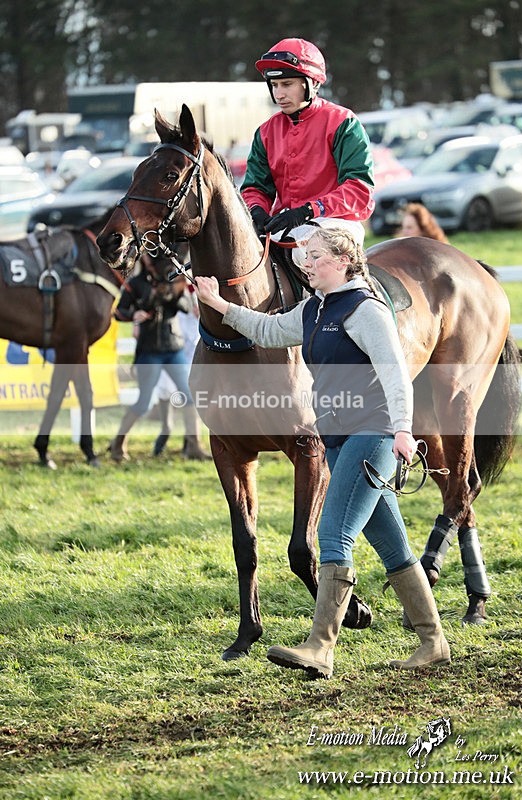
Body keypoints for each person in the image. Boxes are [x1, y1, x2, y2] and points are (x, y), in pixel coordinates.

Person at [195, 226, 451, 679]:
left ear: (341, 260)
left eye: (313, 256)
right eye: (304, 257)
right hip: (336, 439)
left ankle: (321, 647)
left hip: (372, 435)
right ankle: (433, 642)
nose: (303, 263)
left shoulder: (365, 310)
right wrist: (218, 305)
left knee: (333, 534)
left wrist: (404, 431)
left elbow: (394, 374)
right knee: (393, 546)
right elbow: (267, 330)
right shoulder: (314, 308)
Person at [240, 37, 375, 267]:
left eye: (287, 84)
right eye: (274, 86)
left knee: (308, 254)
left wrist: (308, 210)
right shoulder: (265, 132)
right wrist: (257, 211)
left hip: (337, 224)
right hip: (286, 226)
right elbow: (255, 188)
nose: (279, 94)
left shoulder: (344, 123)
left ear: (312, 84)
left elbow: (359, 191)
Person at [109, 253, 210, 462]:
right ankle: (118, 443)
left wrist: (171, 294)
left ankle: (194, 446)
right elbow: (119, 312)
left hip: (173, 348)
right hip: (149, 351)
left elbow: (183, 307)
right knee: (144, 403)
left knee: (189, 396)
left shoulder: (174, 281)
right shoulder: (135, 284)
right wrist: (133, 315)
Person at [152, 285, 205, 458]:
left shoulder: (196, 285)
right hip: (173, 345)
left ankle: (190, 444)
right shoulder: (173, 290)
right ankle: (165, 432)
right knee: (166, 390)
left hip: (192, 348)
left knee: (191, 395)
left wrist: (201, 311)